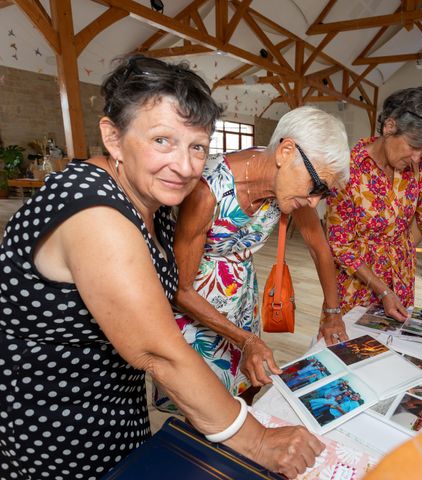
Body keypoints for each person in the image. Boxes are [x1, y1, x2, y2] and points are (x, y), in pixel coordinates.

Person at [0, 55, 323, 480]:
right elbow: (156, 350)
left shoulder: (150, 197)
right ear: (113, 137)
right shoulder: (93, 210)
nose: (186, 166)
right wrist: (258, 440)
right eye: (162, 141)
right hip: (54, 419)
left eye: (197, 147)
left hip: (114, 400)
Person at [154, 106, 350, 408]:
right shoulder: (208, 191)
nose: (314, 201)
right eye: (317, 187)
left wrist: (333, 312)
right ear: (285, 152)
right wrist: (245, 341)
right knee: (206, 406)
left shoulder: (286, 179)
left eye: (326, 193)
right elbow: (181, 289)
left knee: (249, 389)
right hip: (197, 311)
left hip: (241, 300)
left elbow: (319, 248)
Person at [326, 87, 422, 321]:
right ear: (390, 127)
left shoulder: (417, 167)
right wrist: (382, 290)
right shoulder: (347, 170)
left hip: (400, 278)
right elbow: (340, 246)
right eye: (413, 146)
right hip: (358, 285)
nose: (418, 158)